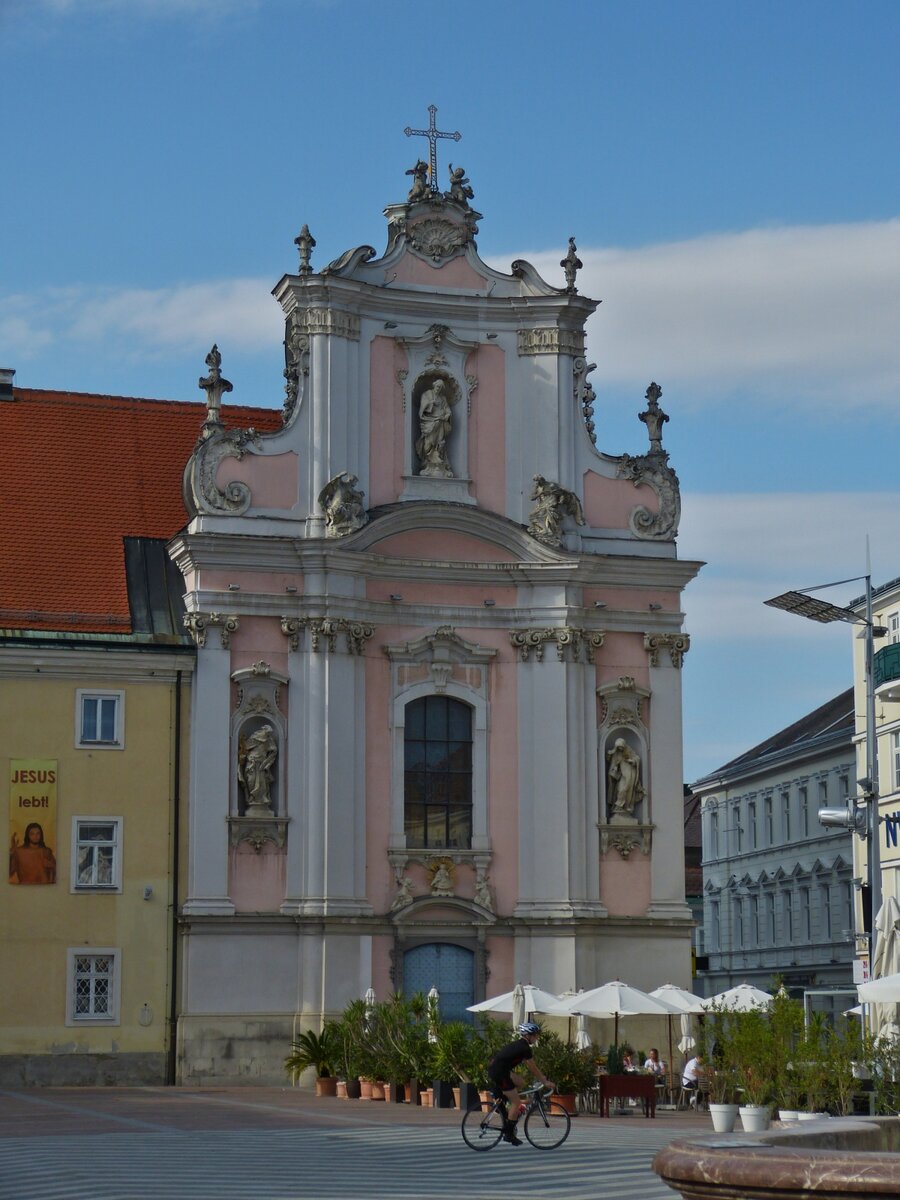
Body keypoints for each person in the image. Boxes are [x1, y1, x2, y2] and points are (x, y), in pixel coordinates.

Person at [486, 1022, 556, 1146]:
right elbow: (532, 1067)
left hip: (500, 1070)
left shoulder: (520, 1045)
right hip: (500, 1072)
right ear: (528, 1035)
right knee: (517, 1103)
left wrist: (541, 1078)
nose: (537, 1037)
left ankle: (501, 1100)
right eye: (535, 1035)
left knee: (521, 1082)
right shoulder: (524, 1048)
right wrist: (544, 1081)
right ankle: (509, 1134)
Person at [415, 378, 453, 477]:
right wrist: (431, 403)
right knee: (428, 442)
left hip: (440, 421)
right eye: (437, 386)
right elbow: (422, 408)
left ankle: (438, 458)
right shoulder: (427, 394)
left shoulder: (443, 398)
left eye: (440, 387)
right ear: (434, 385)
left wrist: (447, 414)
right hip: (429, 421)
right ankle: (427, 460)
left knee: (440, 442)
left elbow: (447, 409)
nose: (438, 389)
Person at [606, 737, 642, 816]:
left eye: (622, 747)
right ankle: (618, 806)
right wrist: (614, 768)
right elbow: (613, 764)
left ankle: (626, 806)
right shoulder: (617, 754)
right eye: (619, 748)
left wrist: (632, 761)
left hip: (630, 775)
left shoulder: (629, 750)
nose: (620, 749)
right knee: (620, 789)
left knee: (628, 790)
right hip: (621, 776)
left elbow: (637, 758)